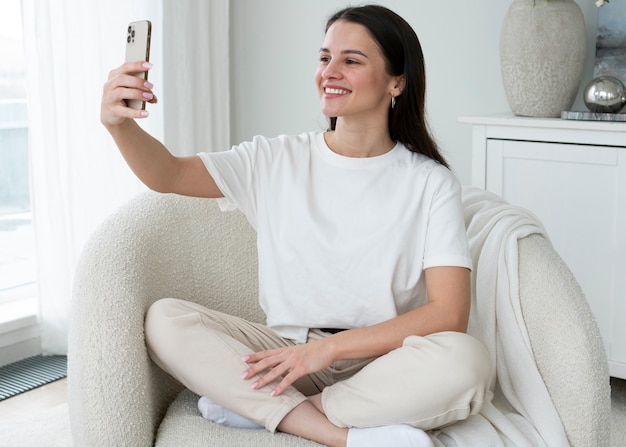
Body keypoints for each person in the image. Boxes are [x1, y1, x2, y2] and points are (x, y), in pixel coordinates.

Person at [100, 5, 491, 447]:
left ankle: (269, 408)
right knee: (165, 319)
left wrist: (327, 350)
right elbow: (167, 174)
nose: (330, 72)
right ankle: (340, 435)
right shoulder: (275, 160)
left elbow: (448, 314)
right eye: (325, 58)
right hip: (281, 354)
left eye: (352, 60)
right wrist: (119, 127)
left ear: (396, 82)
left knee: (467, 361)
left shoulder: (430, 183)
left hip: (382, 360)